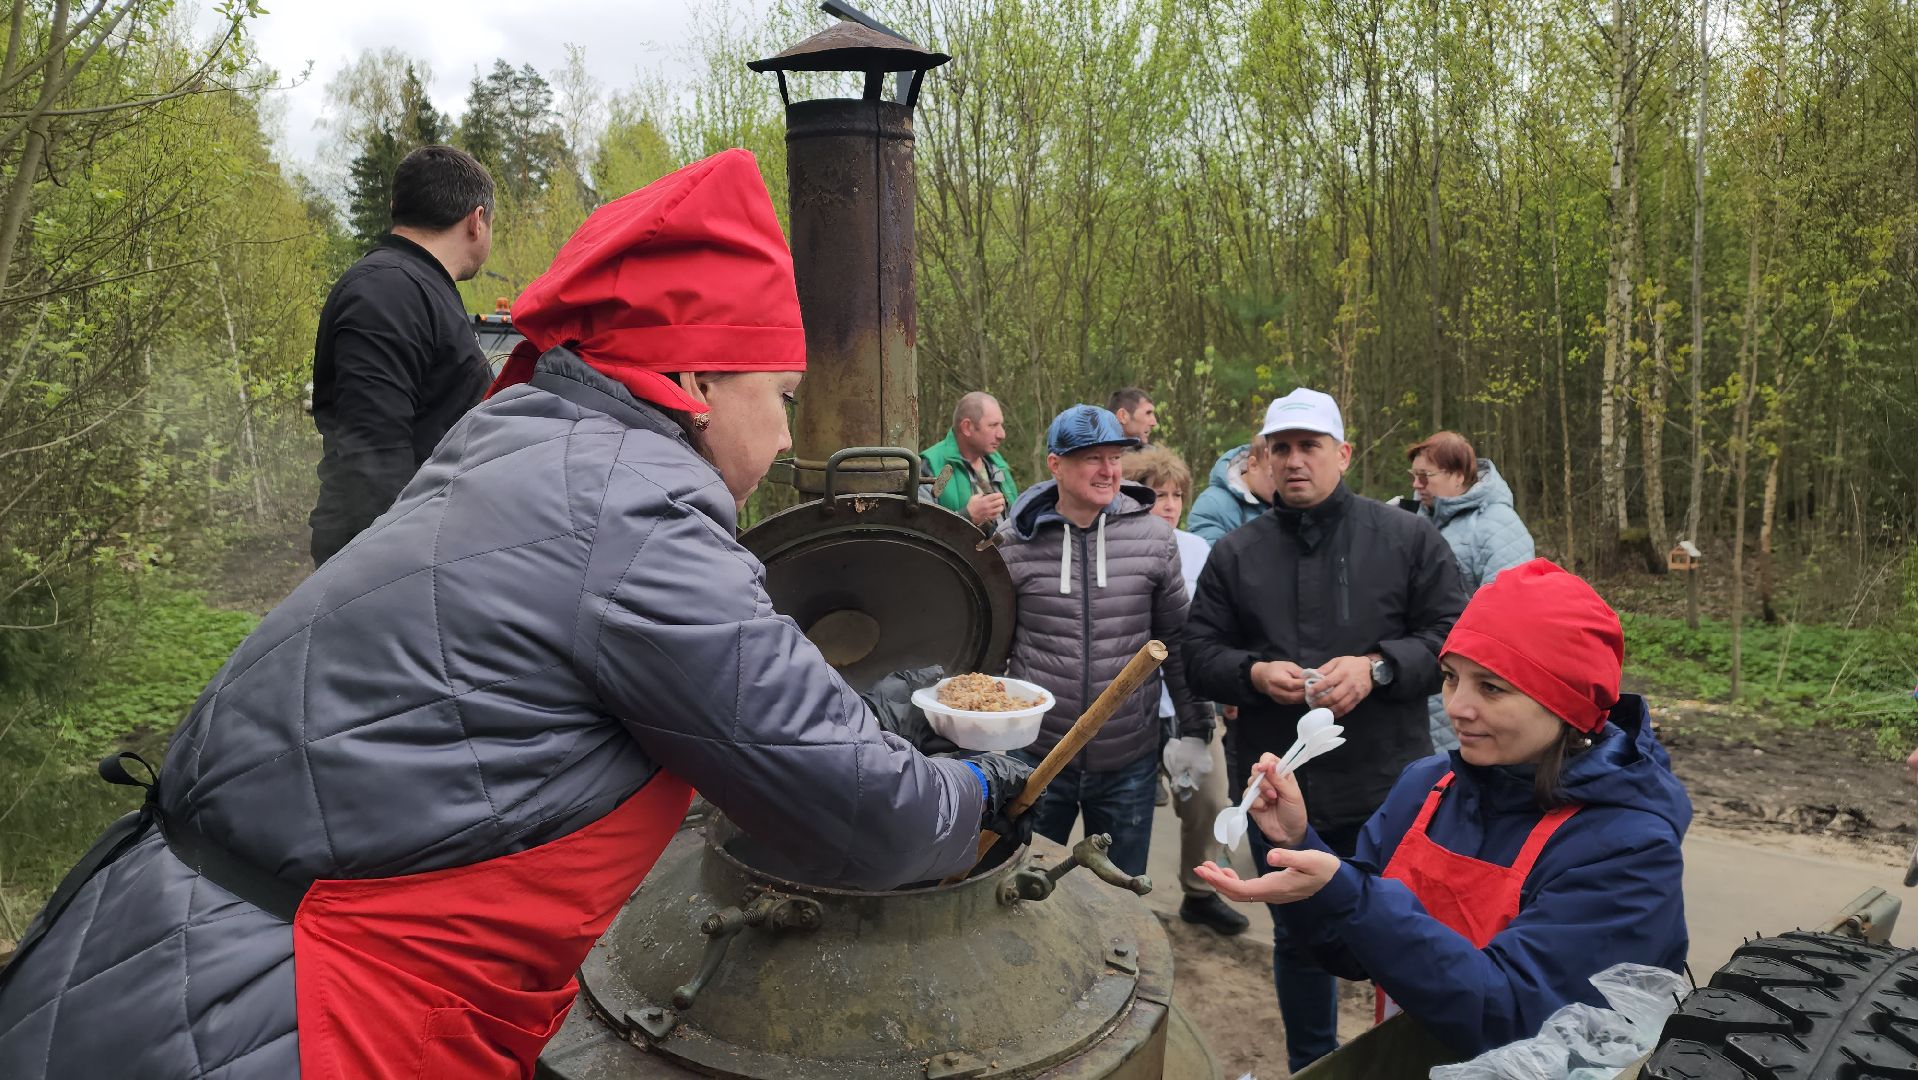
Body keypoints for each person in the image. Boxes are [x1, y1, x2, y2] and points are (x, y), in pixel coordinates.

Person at [0, 150, 1033, 1080]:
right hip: (283, 1017)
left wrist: (873, 723)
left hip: (147, 951)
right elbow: (864, 821)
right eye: (781, 396)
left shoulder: (513, 445)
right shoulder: (638, 513)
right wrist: (974, 786)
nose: (781, 438)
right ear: (693, 379)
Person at [1194, 560, 1690, 1058]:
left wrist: (1351, 894)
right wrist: (1297, 845)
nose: (1457, 706)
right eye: (1452, 677)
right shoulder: (1428, 788)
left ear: (1567, 703)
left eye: (1491, 687)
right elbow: (1348, 948)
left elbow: (1516, 1021)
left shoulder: (1628, 846)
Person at [1183, 386, 1468, 1072]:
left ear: (1342, 453)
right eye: (1279, 448)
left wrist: (1378, 669)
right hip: (1277, 784)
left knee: (1404, 929)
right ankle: (1313, 1065)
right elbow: (1196, 654)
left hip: (1388, 785)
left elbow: (1455, 640)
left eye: (1309, 446)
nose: (1293, 461)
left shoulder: (1406, 538)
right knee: (1299, 936)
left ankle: (1410, 1059)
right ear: (1264, 459)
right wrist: (1255, 676)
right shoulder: (1238, 553)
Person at [995, 405, 1211, 878]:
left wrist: (1197, 729)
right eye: (1092, 458)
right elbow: (994, 651)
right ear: (1055, 464)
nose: (1108, 470)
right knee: (1023, 884)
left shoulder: (1154, 538)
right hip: (1037, 757)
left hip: (1128, 760)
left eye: (1114, 457)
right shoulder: (1014, 544)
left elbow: (1175, 637)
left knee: (1121, 890)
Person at [308, 145, 499, 566]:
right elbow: (373, 457)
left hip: (416, 553)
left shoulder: (413, 288)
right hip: (389, 567)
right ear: (477, 220)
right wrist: (397, 571)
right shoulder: (388, 291)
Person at [1123, 445, 1248, 935]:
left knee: (1210, 800)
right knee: (1129, 814)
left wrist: (1227, 687)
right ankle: (1123, 905)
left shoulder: (1199, 551)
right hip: (1131, 705)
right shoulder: (1115, 550)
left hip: (1191, 700)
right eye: (1158, 494)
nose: (1170, 504)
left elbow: (1223, 626)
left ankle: (1198, 894)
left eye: (1177, 494)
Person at [1408, 431, 1536, 753]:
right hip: (1424, 671)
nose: (1417, 485)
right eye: (1414, 476)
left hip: (1468, 678)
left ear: (1459, 475)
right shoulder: (1418, 524)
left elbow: (1511, 613)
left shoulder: (1496, 525)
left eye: (1426, 476)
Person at [922, 391, 1019, 529]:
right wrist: (967, 516)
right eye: (992, 425)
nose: (1002, 434)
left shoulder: (997, 463)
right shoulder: (933, 466)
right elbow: (920, 533)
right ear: (967, 427)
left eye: (1001, 425)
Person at [1187, 434, 1275, 544]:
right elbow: (1209, 557)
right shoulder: (1211, 505)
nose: (1283, 480)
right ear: (1253, 465)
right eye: (1275, 474)